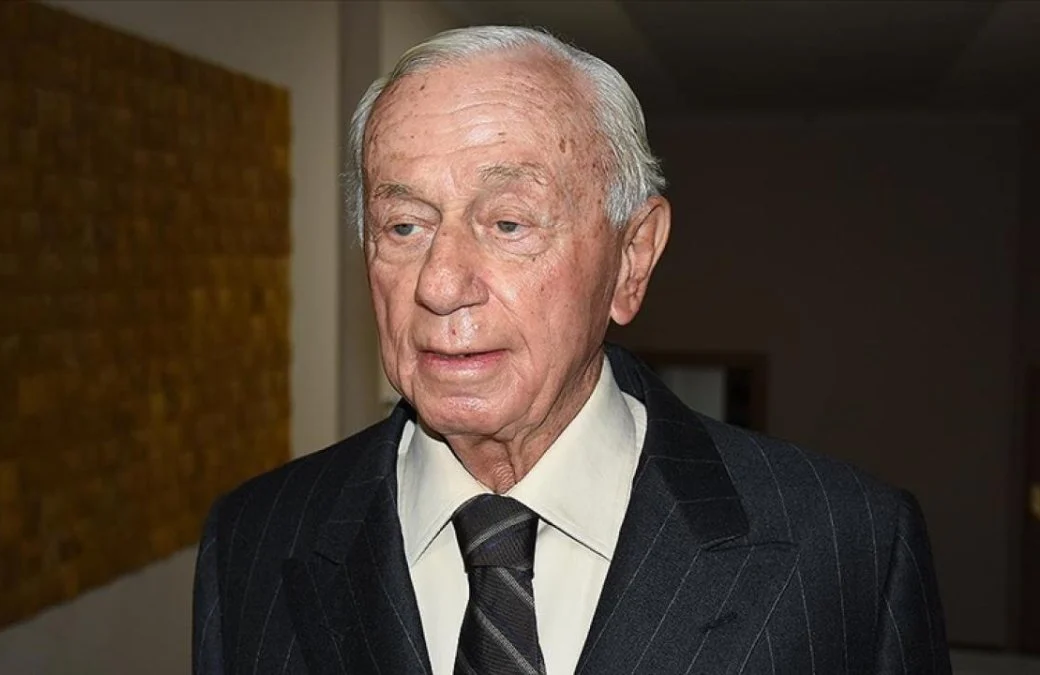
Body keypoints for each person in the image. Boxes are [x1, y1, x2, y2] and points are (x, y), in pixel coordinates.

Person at [192, 26, 949, 675]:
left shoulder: (847, 545)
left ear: (632, 259)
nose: (441, 284)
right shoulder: (253, 539)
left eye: (509, 223)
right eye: (404, 226)